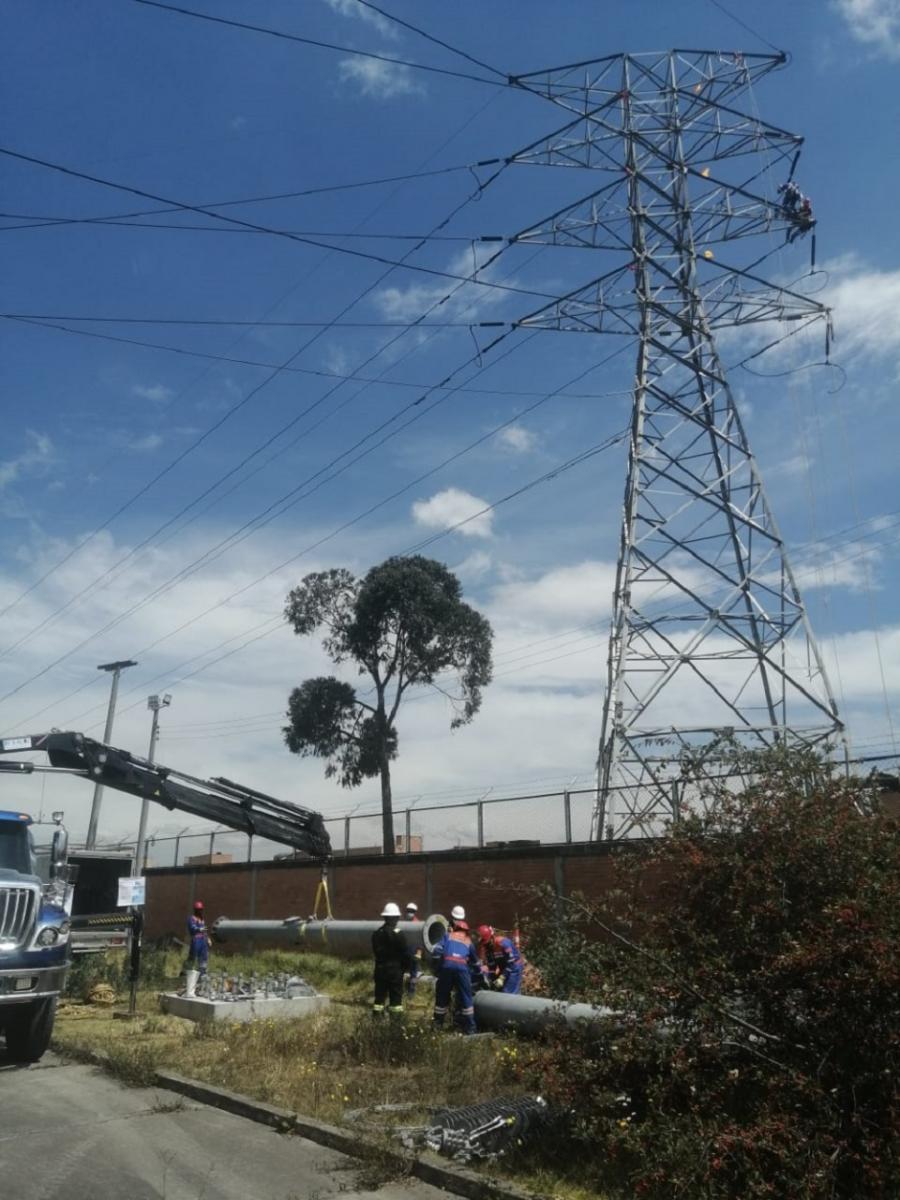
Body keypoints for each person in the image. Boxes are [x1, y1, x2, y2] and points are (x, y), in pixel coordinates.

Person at [432, 911, 486, 1035]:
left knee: (442, 997)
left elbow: (436, 951)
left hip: (446, 968)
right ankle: (471, 1028)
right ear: (466, 931)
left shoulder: (448, 936)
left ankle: (437, 1025)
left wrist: (437, 967)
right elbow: (476, 963)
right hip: (462, 970)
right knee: (466, 998)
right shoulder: (468, 942)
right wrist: (480, 977)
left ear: (455, 927)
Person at [371, 902, 413, 1017]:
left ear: (384, 917)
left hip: (380, 971)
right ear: (396, 918)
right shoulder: (399, 935)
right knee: (395, 1001)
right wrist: (405, 969)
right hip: (395, 972)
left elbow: (376, 952)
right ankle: (395, 1025)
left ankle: (376, 1023)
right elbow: (406, 955)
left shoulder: (376, 934)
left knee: (379, 999)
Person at [477, 924, 525, 995]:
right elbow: (492, 965)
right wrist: (489, 978)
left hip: (513, 968)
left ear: (491, 937)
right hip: (503, 967)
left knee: (508, 992)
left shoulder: (504, 943)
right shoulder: (487, 948)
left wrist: (502, 977)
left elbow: (511, 962)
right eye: (483, 943)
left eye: (485, 942)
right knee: (498, 989)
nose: (485, 945)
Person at [185, 900, 209, 996]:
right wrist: (199, 929)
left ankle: (201, 980)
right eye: (198, 910)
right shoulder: (191, 918)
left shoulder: (202, 919)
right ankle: (190, 981)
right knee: (193, 959)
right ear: (195, 910)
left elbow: (205, 930)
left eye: (201, 910)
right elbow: (192, 928)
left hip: (203, 941)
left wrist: (208, 939)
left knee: (203, 961)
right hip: (196, 940)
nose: (200, 911)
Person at [404, 902, 422, 998]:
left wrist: (419, 954)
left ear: (415, 912)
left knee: (413, 972)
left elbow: (420, 941)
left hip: (414, 951)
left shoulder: (417, 924)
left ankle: (411, 991)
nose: (409, 913)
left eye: (411, 911)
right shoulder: (403, 923)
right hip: (405, 951)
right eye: (408, 911)